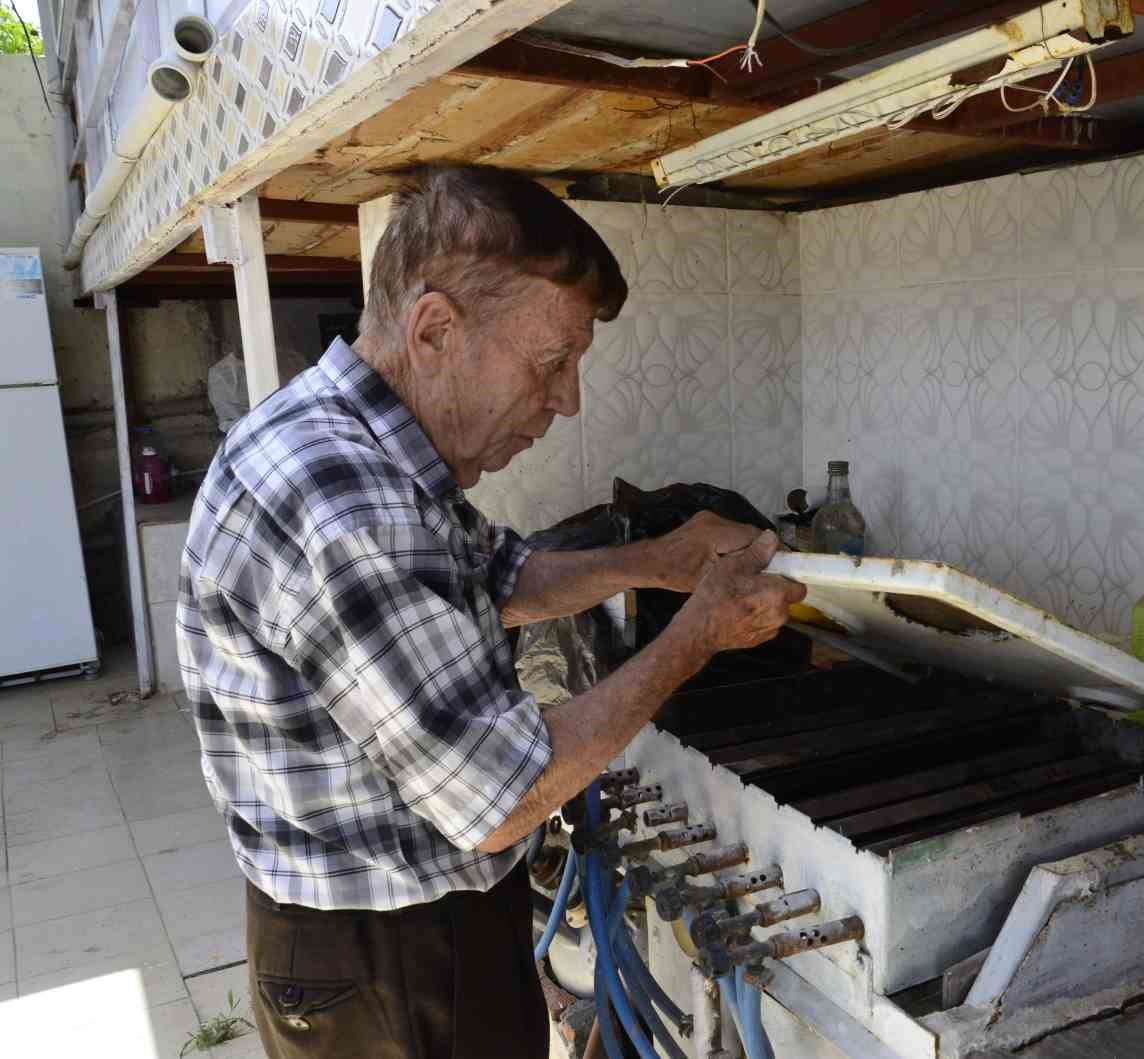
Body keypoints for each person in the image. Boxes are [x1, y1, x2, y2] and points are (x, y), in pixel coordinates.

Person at [175, 165, 804, 1059]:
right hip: (386, 956)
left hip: (399, 931)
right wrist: (698, 630)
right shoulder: (346, 498)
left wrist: (655, 561)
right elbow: (500, 795)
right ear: (434, 329)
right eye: (551, 363)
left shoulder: (357, 444)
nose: (566, 399)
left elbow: (493, 574)